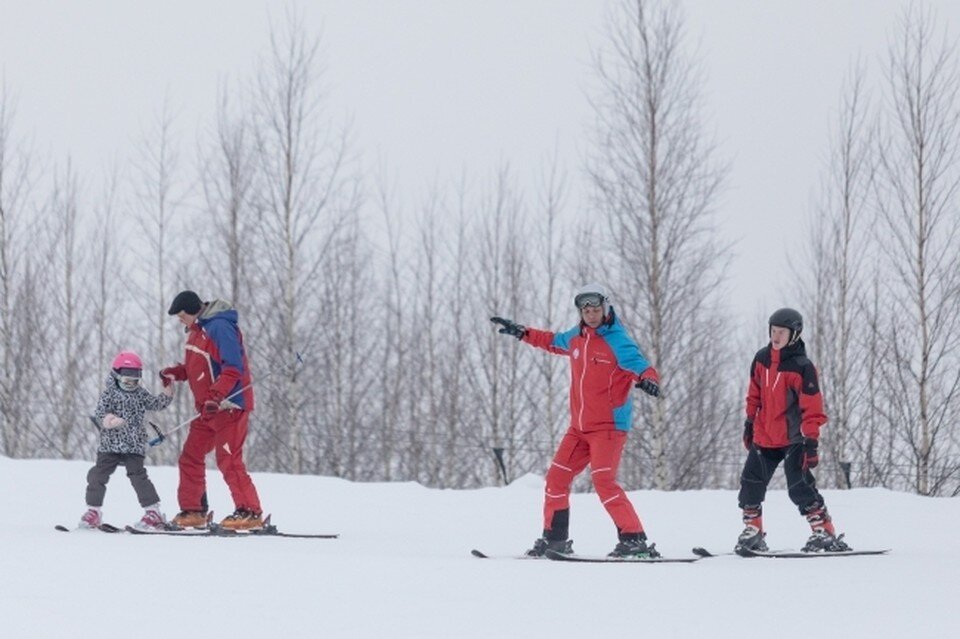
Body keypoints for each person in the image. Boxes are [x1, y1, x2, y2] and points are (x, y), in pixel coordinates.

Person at [491, 283, 662, 558]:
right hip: (579, 429)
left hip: (608, 428)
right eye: (586, 310)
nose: (592, 315)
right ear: (580, 313)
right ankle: (554, 540)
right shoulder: (577, 337)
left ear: (605, 309)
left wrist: (649, 381)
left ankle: (634, 539)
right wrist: (522, 332)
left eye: (596, 309)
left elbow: (642, 367)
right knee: (556, 479)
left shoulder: (618, 340)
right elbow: (551, 341)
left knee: (604, 481)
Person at [736, 307, 850, 554]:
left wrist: (811, 441)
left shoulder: (802, 367)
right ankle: (753, 531)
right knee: (750, 484)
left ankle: (824, 531)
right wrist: (749, 422)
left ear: (794, 335)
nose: (776, 337)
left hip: (794, 438)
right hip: (765, 435)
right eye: (773, 331)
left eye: (782, 332)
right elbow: (753, 394)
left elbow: (812, 407)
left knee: (799, 487)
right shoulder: (761, 359)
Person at [160, 290, 263, 531]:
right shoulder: (196, 333)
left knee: (228, 459)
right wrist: (178, 372)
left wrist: (217, 396)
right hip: (208, 409)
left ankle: (250, 512)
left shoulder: (219, 327)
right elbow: (202, 367)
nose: (180, 320)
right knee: (190, 456)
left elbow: (232, 367)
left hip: (228, 405)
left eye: (181, 315)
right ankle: (194, 510)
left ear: (193, 310)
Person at [80, 350, 174, 531]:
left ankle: (153, 512)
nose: (131, 385)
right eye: (126, 381)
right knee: (98, 474)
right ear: (116, 376)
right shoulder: (109, 394)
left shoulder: (140, 394)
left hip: (134, 444)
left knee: (137, 475)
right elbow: (100, 412)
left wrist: (167, 393)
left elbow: (156, 404)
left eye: (135, 381)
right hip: (110, 444)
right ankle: (93, 511)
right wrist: (109, 420)